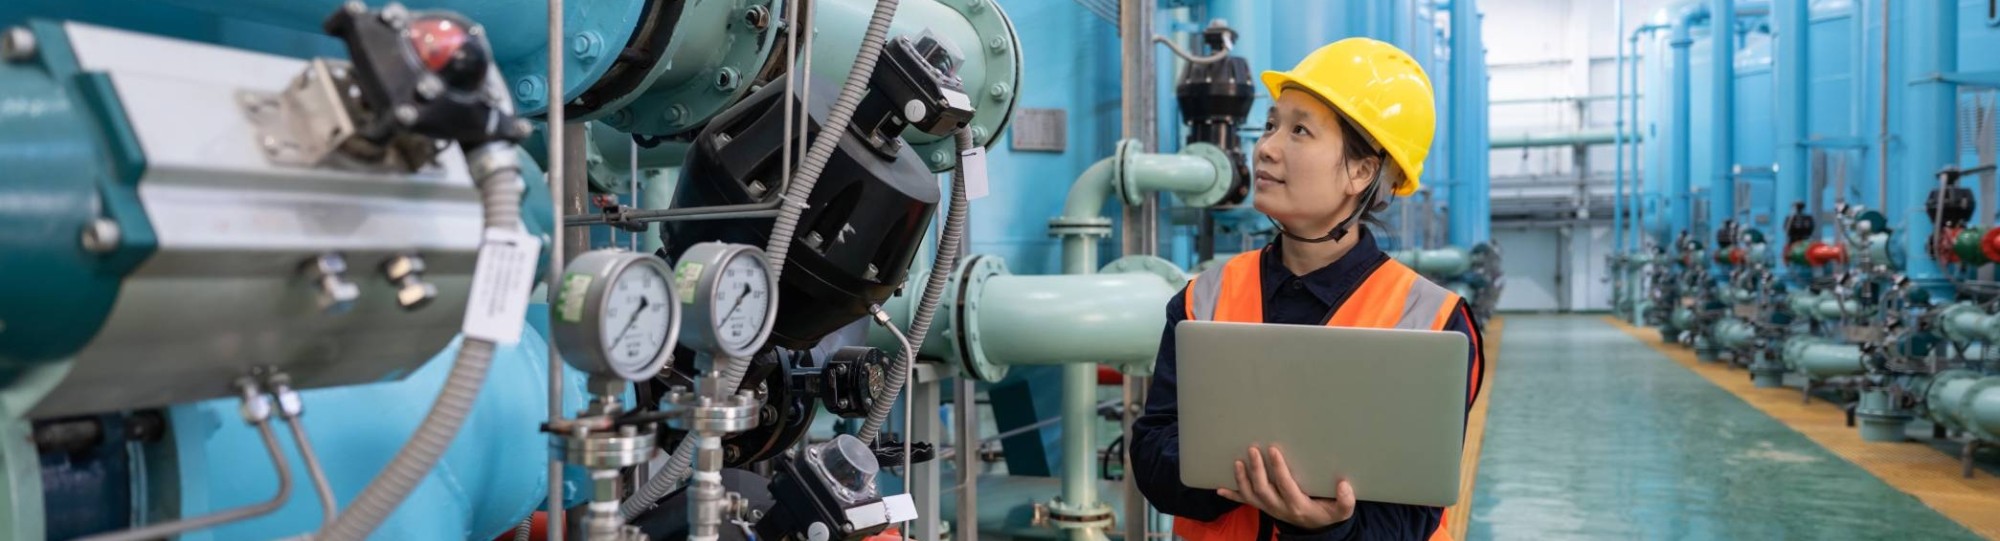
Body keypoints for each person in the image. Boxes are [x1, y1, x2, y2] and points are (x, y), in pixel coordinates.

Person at [1130, 37, 1487, 541]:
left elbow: (1411, 517)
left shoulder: (1432, 321)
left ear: (1362, 172)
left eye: (1300, 130)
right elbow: (1152, 455)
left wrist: (1328, 528)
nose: (1267, 147)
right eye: (1272, 124)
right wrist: (1237, 475)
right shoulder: (1202, 299)